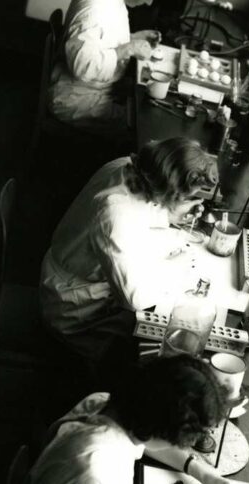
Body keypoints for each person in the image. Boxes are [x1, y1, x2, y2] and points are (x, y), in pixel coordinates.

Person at [39, 137, 217, 379]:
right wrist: (176, 268)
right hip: (74, 305)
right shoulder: (113, 213)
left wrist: (171, 212)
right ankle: (92, 387)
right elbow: (133, 298)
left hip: (82, 275)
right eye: (182, 197)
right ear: (165, 190)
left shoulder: (131, 166)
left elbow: (140, 209)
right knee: (142, 360)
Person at [23, 355, 249, 484]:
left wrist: (202, 472)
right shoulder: (94, 478)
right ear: (160, 431)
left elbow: (151, 442)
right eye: (176, 441)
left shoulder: (106, 404)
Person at [49, 0, 161, 134]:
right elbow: (83, 65)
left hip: (95, 87)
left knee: (140, 96)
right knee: (140, 125)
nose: (148, 3)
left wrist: (132, 38)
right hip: (76, 97)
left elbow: (102, 39)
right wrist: (128, 48)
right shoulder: (94, 9)